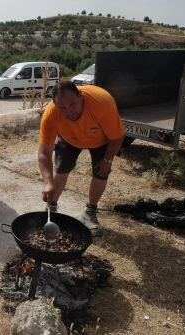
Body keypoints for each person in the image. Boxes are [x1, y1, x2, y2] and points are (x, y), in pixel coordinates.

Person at [38, 81, 124, 237]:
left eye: (73, 104)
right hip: (69, 138)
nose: (69, 111)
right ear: (55, 104)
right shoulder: (51, 114)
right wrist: (48, 183)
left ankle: (90, 212)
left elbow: (117, 137)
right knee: (61, 168)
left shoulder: (101, 103)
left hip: (101, 140)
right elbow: (44, 153)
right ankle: (51, 210)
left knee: (101, 172)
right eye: (62, 108)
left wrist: (107, 160)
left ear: (80, 96)